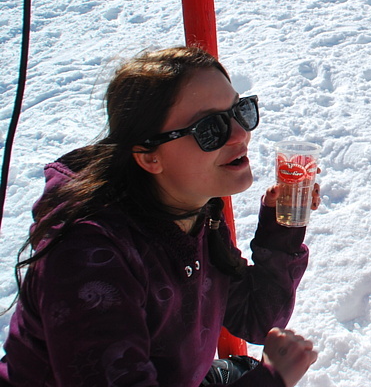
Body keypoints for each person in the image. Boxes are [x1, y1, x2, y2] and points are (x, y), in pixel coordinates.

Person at [0, 47, 319, 387]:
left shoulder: (191, 207)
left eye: (240, 111)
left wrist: (282, 226)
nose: (241, 134)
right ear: (149, 157)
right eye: (210, 128)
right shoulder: (88, 258)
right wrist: (270, 380)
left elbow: (257, 316)